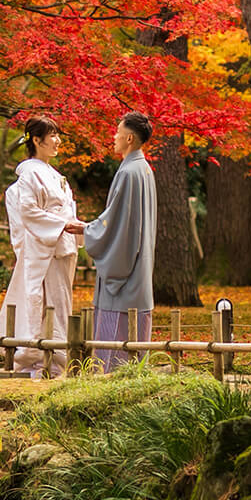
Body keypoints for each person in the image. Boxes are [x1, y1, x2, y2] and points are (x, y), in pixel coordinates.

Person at [0, 115, 85, 378]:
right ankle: (37, 357)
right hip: (46, 246)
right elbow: (28, 211)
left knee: (60, 303)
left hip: (61, 245)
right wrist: (61, 225)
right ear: (36, 140)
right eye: (52, 135)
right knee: (41, 302)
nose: (57, 141)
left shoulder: (55, 174)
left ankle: (57, 359)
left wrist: (73, 226)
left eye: (58, 135)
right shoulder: (30, 173)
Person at [84, 111, 157, 372]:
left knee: (113, 360)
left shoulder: (128, 173)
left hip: (124, 282)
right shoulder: (143, 170)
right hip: (140, 274)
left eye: (117, 132)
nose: (113, 137)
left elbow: (117, 226)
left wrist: (86, 230)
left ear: (129, 138)